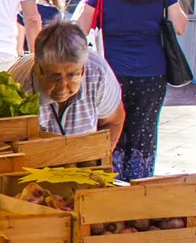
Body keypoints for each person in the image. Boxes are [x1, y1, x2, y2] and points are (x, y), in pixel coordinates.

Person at [75, 0, 188, 180]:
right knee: (144, 132)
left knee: (110, 127)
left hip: (112, 73)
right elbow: (180, 26)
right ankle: (139, 184)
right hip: (152, 73)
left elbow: (80, 28)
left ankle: (110, 180)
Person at [12, 20, 125, 149]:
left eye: (72, 75)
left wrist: (99, 157)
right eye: (54, 76)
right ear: (38, 68)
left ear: (82, 68)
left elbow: (113, 121)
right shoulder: (18, 87)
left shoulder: (98, 73)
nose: (62, 87)